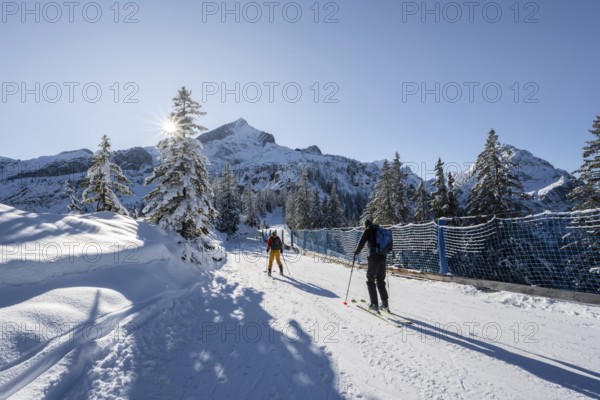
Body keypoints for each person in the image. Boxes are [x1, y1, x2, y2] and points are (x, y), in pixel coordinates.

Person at [354, 219, 389, 312]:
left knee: (370, 280)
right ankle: (385, 304)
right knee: (380, 280)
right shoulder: (380, 230)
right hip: (383, 257)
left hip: (374, 258)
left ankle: (374, 304)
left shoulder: (368, 230)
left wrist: (356, 252)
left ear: (366, 225)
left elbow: (361, 243)